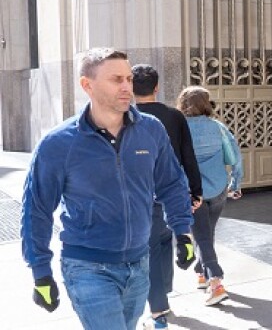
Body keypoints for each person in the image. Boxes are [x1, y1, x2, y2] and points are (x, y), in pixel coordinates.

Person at [20, 47, 196, 330]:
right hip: (87, 267)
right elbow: (36, 209)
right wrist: (40, 271)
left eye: (128, 78)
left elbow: (172, 183)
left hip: (140, 263)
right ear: (86, 85)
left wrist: (183, 231)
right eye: (116, 80)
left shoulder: (150, 130)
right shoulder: (58, 143)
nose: (127, 86)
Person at [132, 64, 204, 330]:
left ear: (130, 87)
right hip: (172, 193)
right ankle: (162, 294)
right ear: (156, 87)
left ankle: (158, 308)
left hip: (140, 196)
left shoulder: (125, 116)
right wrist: (196, 191)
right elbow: (188, 156)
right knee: (163, 242)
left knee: (151, 248)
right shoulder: (174, 116)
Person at [176, 85, 243, 306]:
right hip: (218, 189)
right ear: (206, 104)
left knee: (203, 236)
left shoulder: (179, 129)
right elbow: (233, 157)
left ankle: (216, 283)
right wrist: (235, 182)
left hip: (192, 192)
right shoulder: (218, 127)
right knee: (207, 233)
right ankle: (201, 272)